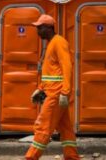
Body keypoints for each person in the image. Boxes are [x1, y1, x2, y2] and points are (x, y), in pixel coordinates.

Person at [25, 14, 80, 160]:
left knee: (43, 126)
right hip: (53, 92)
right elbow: (52, 71)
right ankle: (72, 156)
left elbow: (67, 67)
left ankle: (31, 157)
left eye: (40, 28)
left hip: (56, 93)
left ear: (49, 28)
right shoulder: (52, 43)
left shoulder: (59, 42)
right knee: (65, 128)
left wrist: (65, 92)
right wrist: (41, 88)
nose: (37, 31)